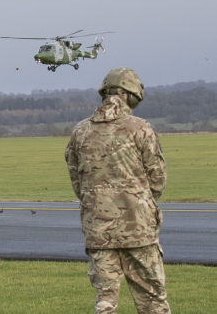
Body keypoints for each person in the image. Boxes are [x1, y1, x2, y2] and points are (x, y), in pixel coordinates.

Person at [65, 68, 169, 314]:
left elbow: (77, 180)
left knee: (105, 301)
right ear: (129, 96)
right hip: (139, 229)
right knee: (153, 300)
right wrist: (139, 201)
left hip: (98, 229)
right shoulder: (140, 128)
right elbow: (158, 178)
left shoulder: (81, 131)